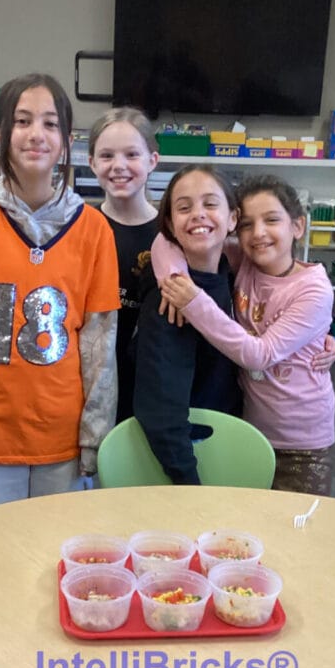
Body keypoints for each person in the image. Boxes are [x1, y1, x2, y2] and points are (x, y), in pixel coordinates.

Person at [0, 73, 120, 512]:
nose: (37, 134)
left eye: (51, 124)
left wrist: (95, 437)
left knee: (58, 558)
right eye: (23, 121)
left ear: (67, 139)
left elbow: (98, 345)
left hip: (62, 439)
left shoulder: (93, 230)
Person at [155, 174, 335, 493]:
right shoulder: (245, 259)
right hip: (248, 429)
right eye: (248, 225)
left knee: (295, 531)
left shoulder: (314, 289)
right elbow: (166, 241)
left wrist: (193, 301)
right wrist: (173, 278)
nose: (258, 233)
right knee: (247, 530)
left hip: (301, 444)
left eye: (271, 220)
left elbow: (259, 356)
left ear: (297, 226)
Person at [133, 164, 243, 484]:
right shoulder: (169, 301)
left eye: (210, 204)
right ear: (170, 223)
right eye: (184, 207)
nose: (198, 214)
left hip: (228, 445)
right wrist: (191, 486)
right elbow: (162, 414)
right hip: (186, 464)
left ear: (233, 218)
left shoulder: (231, 275)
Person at [88, 107, 159, 421]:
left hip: (147, 379)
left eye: (131, 154)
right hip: (90, 376)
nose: (119, 166)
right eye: (106, 156)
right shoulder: (80, 226)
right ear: (92, 163)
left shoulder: (172, 233)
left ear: (152, 161)